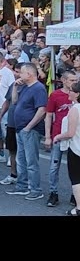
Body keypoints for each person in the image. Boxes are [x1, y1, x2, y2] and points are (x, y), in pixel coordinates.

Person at [6, 63, 47, 201]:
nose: (19, 75)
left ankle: (36, 189)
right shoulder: (24, 87)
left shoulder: (38, 88)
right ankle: (22, 186)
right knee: (21, 159)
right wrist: (15, 87)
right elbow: (15, 101)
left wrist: (29, 126)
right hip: (21, 128)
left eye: (22, 73)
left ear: (29, 74)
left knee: (31, 161)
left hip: (30, 129)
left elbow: (42, 110)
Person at [44, 70, 78, 207]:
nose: (74, 83)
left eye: (76, 80)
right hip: (59, 135)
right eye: (71, 80)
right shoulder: (55, 95)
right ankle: (53, 193)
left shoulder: (77, 96)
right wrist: (48, 136)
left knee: (75, 167)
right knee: (54, 166)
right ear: (64, 80)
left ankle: (75, 194)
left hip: (74, 137)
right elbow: (48, 115)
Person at [53, 81, 80, 215]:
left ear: (77, 94)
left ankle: (79, 207)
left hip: (76, 147)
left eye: (71, 91)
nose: (69, 92)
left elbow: (70, 133)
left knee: (76, 178)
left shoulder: (76, 109)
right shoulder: (74, 107)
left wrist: (58, 136)